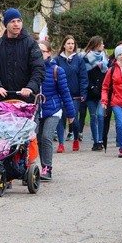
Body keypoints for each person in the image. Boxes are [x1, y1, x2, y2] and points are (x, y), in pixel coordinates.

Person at [0, 8, 45, 103]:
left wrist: (30, 88)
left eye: (19, 21)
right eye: (13, 21)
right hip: (2, 100)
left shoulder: (31, 44)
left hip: (27, 101)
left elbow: (39, 69)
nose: (16, 24)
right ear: (6, 24)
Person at [38, 41, 75, 180]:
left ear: (48, 53)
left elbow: (65, 93)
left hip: (53, 110)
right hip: (37, 111)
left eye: (41, 51)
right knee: (38, 140)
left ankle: (47, 168)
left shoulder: (56, 70)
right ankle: (42, 168)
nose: (38, 54)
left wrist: (70, 113)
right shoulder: (32, 70)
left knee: (47, 136)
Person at [54, 35, 87, 153]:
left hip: (75, 95)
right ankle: (61, 144)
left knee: (74, 120)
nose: (71, 45)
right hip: (60, 94)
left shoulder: (79, 60)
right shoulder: (57, 60)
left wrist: (83, 93)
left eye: (72, 43)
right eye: (68, 43)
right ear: (64, 45)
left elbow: (83, 77)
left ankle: (76, 139)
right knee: (60, 119)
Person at [80, 36, 108, 151]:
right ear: (95, 44)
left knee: (101, 115)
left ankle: (101, 139)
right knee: (93, 116)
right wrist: (90, 86)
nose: (103, 46)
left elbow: (107, 74)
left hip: (102, 91)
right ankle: (95, 141)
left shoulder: (104, 58)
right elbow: (84, 75)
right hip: (91, 92)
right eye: (101, 43)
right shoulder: (85, 58)